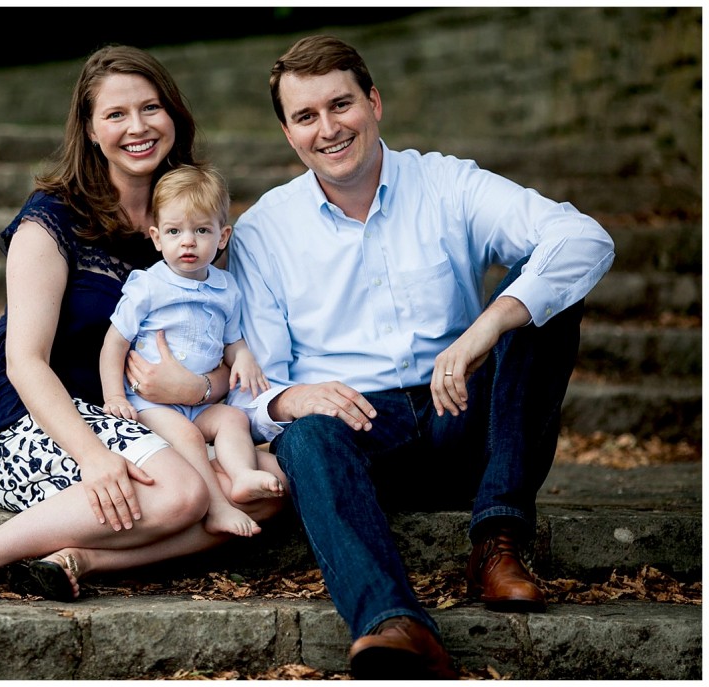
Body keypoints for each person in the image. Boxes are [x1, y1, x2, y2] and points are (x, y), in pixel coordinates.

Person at [226, 35, 615, 679]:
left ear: (374, 102)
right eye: (305, 116)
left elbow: (582, 238)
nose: (328, 129)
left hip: (461, 414)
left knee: (545, 305)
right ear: (288, 133)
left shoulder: (447, 183)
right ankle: (396, 624)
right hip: (359, 441)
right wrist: (291, 398)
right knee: (304, 438)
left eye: (341, 104)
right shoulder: (266, 230)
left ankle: (497, 542)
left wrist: (486, 326)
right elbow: (252, 390)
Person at [0, 44, 287, 606]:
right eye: (116, 115)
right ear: (90, 129)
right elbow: (23, 361)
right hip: (32, 421)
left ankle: (83, 558)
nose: (138, 127)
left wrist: (200, 388)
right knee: (181, 494)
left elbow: (211, 347)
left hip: (143, 416)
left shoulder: (187, 221)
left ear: (173, 114)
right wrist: (94, 458)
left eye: (151, 108)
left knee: (273, 483)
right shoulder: (50, 221)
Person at [100, 164, 285, 539]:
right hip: (152, 404)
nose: (188, 241)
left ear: (222, 236)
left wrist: (244, 357)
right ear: (156, 237)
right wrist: (114, 396)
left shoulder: (226, 288)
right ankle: (216, 506)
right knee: (185, 436)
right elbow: (114, 343)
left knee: (232, 420)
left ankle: (242, 474)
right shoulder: (149, 286)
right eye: (174, 231)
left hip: (200, 404)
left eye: (201, 230)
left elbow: (232, 341)